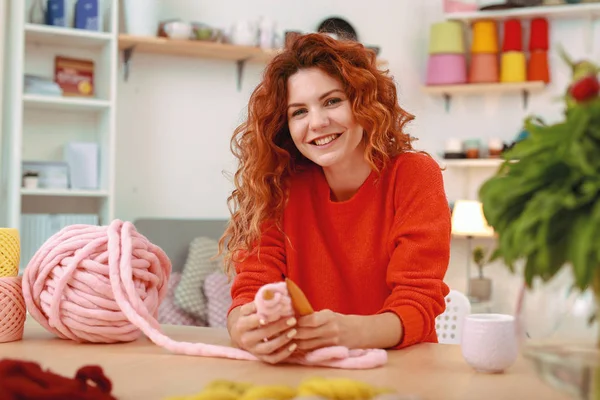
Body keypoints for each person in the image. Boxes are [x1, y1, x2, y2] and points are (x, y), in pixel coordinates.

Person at [218, 33, 451, 365]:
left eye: (331, 101)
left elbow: (417, 304)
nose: (317, 122)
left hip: (402, 369)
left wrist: (352, 331)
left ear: (362, 103)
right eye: (299, 112)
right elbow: (251, 288)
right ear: (285, 125)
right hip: (306, 372)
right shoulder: (279, 187)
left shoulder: (413, 175)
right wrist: (241, 327)